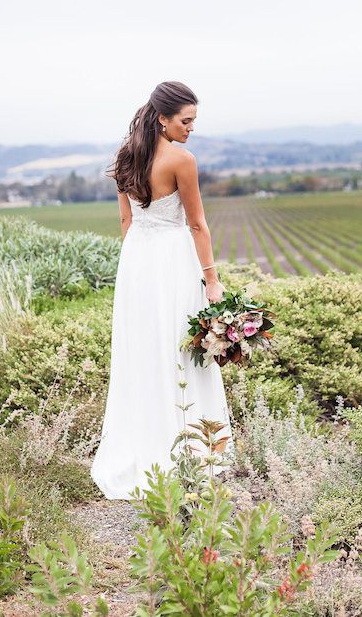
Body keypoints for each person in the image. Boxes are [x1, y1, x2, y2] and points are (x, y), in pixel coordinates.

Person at [91, 81, 233, 499]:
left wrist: (137, 267)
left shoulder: (125, 157)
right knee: (180, 349)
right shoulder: (181, 160)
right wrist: (211, 279)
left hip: (137, 262)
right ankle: (194, 449)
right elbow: (196, 224)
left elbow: (125, 222)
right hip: (173, 259)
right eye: (186, 121)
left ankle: (145, 446)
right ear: (162, 118)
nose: (191, 129)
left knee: (144, 351)